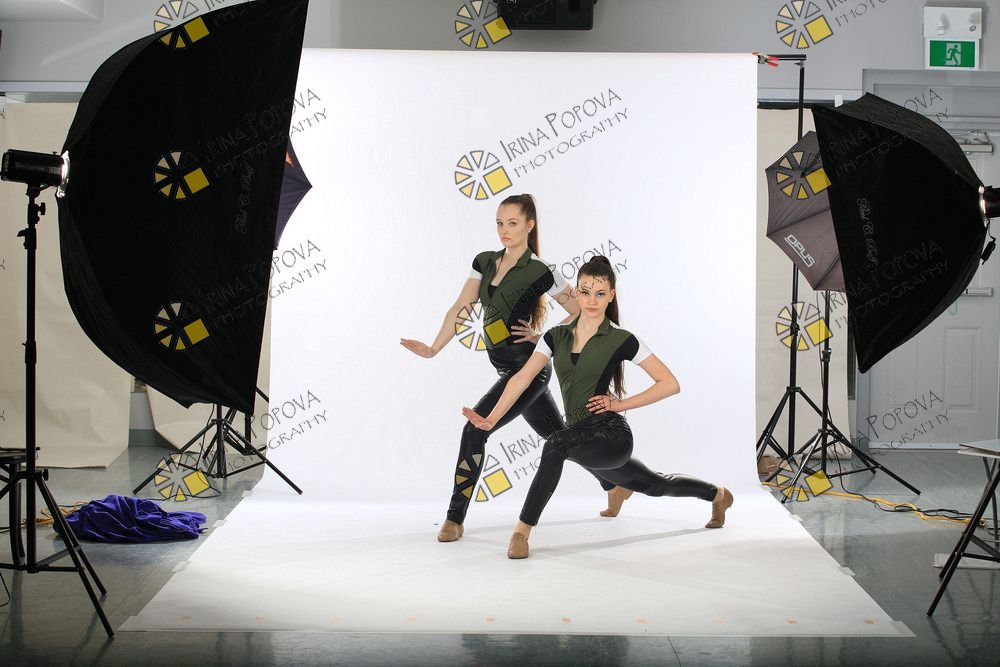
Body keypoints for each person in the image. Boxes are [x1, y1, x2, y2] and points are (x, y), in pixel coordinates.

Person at [462, 255, 733, 559]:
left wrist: (620, 404)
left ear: (611, 295)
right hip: (581, 435)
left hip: (611, 436)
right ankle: (717, 495)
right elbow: (522, 378)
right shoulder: (555, 336)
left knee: (556, 443)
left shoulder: (621, 338)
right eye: (586, 291)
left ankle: (521, 532)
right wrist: (491, 419)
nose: (592, 300)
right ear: (576, 293)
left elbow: (669, 383)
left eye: (600, 293)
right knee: (656, 484)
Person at [401, 194, 614, 543]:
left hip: (528, 371)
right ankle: (613, 483)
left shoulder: (541, 270)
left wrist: (541, 336)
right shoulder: (484, 261)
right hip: (506, 370)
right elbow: (462, 305)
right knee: (558, 438)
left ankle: (454, 518)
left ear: (529, 225)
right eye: (499, 223)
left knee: (475, 430)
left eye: (512, 223)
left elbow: (579, 311)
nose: (504, 229)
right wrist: (434, 348)